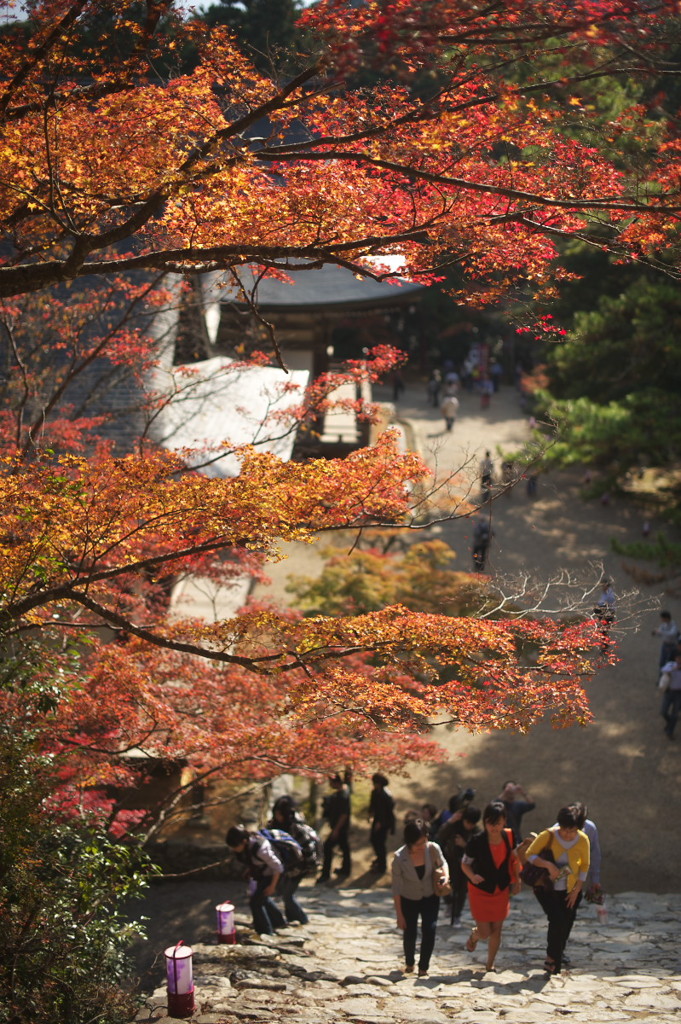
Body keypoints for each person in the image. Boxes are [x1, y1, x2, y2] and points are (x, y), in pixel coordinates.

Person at [524, 805, 590, 974]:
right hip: (546, 888)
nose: (567, 834)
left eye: (572, 830)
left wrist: (577, 890)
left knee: (566, 922)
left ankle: (556, 957)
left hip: (570, 888)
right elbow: (529, 854)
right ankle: (552, 959)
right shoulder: (548, 835)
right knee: (557, 920)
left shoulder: (583, 839)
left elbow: (584, 865)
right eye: (564, 829)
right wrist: (547, 864)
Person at [461, 801, 520, 972]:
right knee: (485, 932)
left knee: (497, 930)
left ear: (504, 822)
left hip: (501, 889)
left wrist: (517, 880)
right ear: (485, 822)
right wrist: (472, 876)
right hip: (480, 890)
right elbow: (465, 864)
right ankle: (474, 936)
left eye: (498, 823)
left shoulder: (509, 836)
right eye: (490, 823)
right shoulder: (476, 841)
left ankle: (490, 964)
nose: (494, 827)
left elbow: (515, 859)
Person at [391, 818, 449, 977]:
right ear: (410, 842)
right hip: (409, 898)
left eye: (425, 840)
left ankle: (424, 967)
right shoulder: (399, 857)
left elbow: (443, 864)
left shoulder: (432, 849)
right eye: (418, 843)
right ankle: (409, 962)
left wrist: (445, 877)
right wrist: (399, 915)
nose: (422, 845)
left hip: (430, 896)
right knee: (410, 933)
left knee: (429, 929)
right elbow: (396, 888)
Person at [226, 823, 288, 936]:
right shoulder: (248, 844)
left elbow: (278, 867)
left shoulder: (261, 849)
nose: (234, 849)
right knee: (263, 898)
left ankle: (265, 931)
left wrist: (272, 886)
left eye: (235, 846)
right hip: (263, 874)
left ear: (243, 842)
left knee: (255, 903)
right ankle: (279, 922)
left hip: (273, 875)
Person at [267, 795, 315, 924]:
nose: (277, 816)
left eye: (280, 813)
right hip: (284, 867)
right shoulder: (273, 826)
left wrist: (309, 867)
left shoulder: (297, 828)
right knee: (284, 893)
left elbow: (308, 849)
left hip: (299, 867)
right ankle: (292, 918)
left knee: (287, 895)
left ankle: (302, 919)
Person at [436, 805, 482, 927]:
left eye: (473, 823)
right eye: (468, 822)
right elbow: (439, 836)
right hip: (448, 860)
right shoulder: (454, 826)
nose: (470, 826)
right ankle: (449, 903)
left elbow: (478, 850)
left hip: (465, 863)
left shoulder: (476, 832)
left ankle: (456, 915)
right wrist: (450, 822)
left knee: (461, 890)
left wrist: (464, 845)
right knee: (444, 884)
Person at [317, 773, 352, 882]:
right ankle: (345, 869)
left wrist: (336, 830)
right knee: (344, 847)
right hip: (338, 827)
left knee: (328, 847)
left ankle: (325, 874)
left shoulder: (343, 794)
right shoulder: (341, 793)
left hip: (340, 827)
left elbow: (344, 814)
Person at [368, 773, 396, 874]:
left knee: (380, 842)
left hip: (384, 822)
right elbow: (372, 806)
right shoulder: (375, 792)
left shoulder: (386, 795)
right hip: (377, 819)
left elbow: (388, 812)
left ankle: (381, 865)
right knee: (374, 840)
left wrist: (381, 823)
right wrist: (370, 815)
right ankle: (379, 859)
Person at [497, 780, 536, 845]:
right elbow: (493, 804)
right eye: (508, 788)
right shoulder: (499, 805)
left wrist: (523, 792)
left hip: (515, 837)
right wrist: (505, 793)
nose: (510, 791)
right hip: (500, 837)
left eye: (512, 788)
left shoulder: (518, 805)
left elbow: (532, 805)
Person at [659, 647, 681, 740]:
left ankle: (670, 731)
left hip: (679, 693)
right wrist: (673, 669)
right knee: (663, 711)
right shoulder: (671, 665)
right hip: (669, 692)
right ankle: (669, 722)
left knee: (675, 714)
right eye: (678, 658)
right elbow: (663, 670)